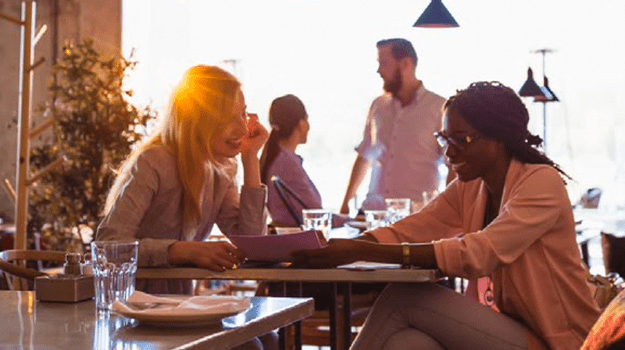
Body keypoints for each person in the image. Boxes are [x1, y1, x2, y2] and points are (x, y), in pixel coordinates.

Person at [295, 82, 602, 350]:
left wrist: (361, 251)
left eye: (461, 139)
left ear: (498, 138)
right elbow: (418, 226)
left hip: (559, 341)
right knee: (406, 344)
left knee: (405, 296)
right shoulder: (471, 187)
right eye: (444, 139)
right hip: (512, 330)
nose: (448, 152)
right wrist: (352, 245)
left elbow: (479, 252)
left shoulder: (539, 181)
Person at [97, 65, 269, 295]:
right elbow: (109, 245)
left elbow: (253, 244)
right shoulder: (154, 162)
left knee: (266, 332)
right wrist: (182, 251)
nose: (242, 128)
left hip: (181, 305)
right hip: (130, 302)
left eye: (242, 114)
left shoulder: (223, 169)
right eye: (229, 119)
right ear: (199, 120)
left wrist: (251, 160)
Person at [340, 38, 451, 214]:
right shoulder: (378, 106)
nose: (378, 70)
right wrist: (344, 205)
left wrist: (447, 212)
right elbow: (364, 156)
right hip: (373, 214)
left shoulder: (439, 108)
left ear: (406, 63)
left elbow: (451, 164)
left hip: (416, 217)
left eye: (384, 63)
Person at [259, 94, 322, 227]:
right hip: (296, 240)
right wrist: (350, 220)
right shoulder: (286, 163)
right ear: (302, 124)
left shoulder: (276, 157)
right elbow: (314, 216)